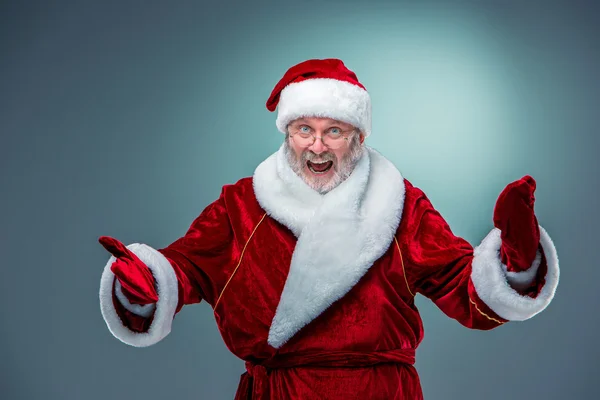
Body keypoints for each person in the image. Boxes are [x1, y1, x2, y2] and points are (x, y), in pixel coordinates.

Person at [98, 58, 560, 400]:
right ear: (287, 134)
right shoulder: (241, 205)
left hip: (381, 392)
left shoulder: (400, 203)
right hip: (279, 391)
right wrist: (147, 286)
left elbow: (462, 284)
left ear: (358, 137)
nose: (316, 147)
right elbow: (186, 269)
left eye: (333, 131)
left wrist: (516, 265)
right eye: (304, 129)